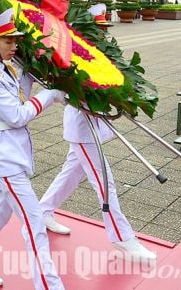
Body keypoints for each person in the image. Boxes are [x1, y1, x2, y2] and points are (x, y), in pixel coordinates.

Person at [0, 8, 66, 288]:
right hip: (5, 157)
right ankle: (49, 285)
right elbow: (17, 115)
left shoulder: (3, 69)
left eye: (16, 41)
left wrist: (35, 68)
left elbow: (21, 90)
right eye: (8, 42)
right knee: (35, 224)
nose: (14, 46)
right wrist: (50, 96)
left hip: (12, 153)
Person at [39, 105, 157, 261]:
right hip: (83, 129)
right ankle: (121, 236)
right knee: (105, 184)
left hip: (88, 124)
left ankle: (43, 211)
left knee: (71, 174)